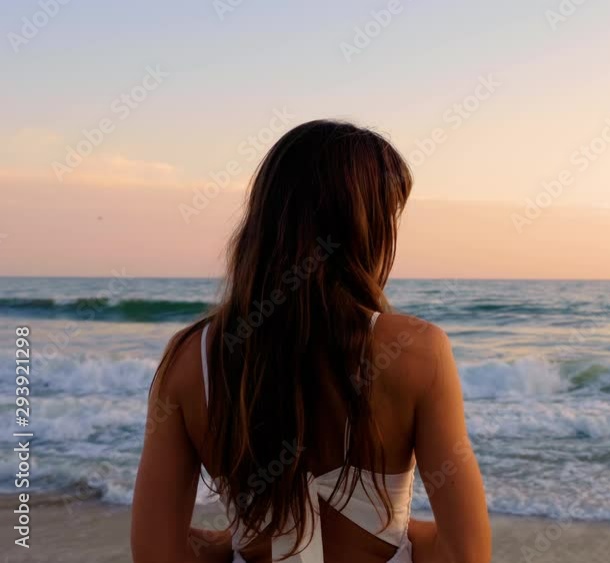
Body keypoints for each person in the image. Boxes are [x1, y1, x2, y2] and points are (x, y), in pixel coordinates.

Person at [131, 120, 491, 563]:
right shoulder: (419, 351)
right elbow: (466, 554)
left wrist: (237, 540)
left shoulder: (191, 362)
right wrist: (398, 533)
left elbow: (156, 554)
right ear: (365, 226)